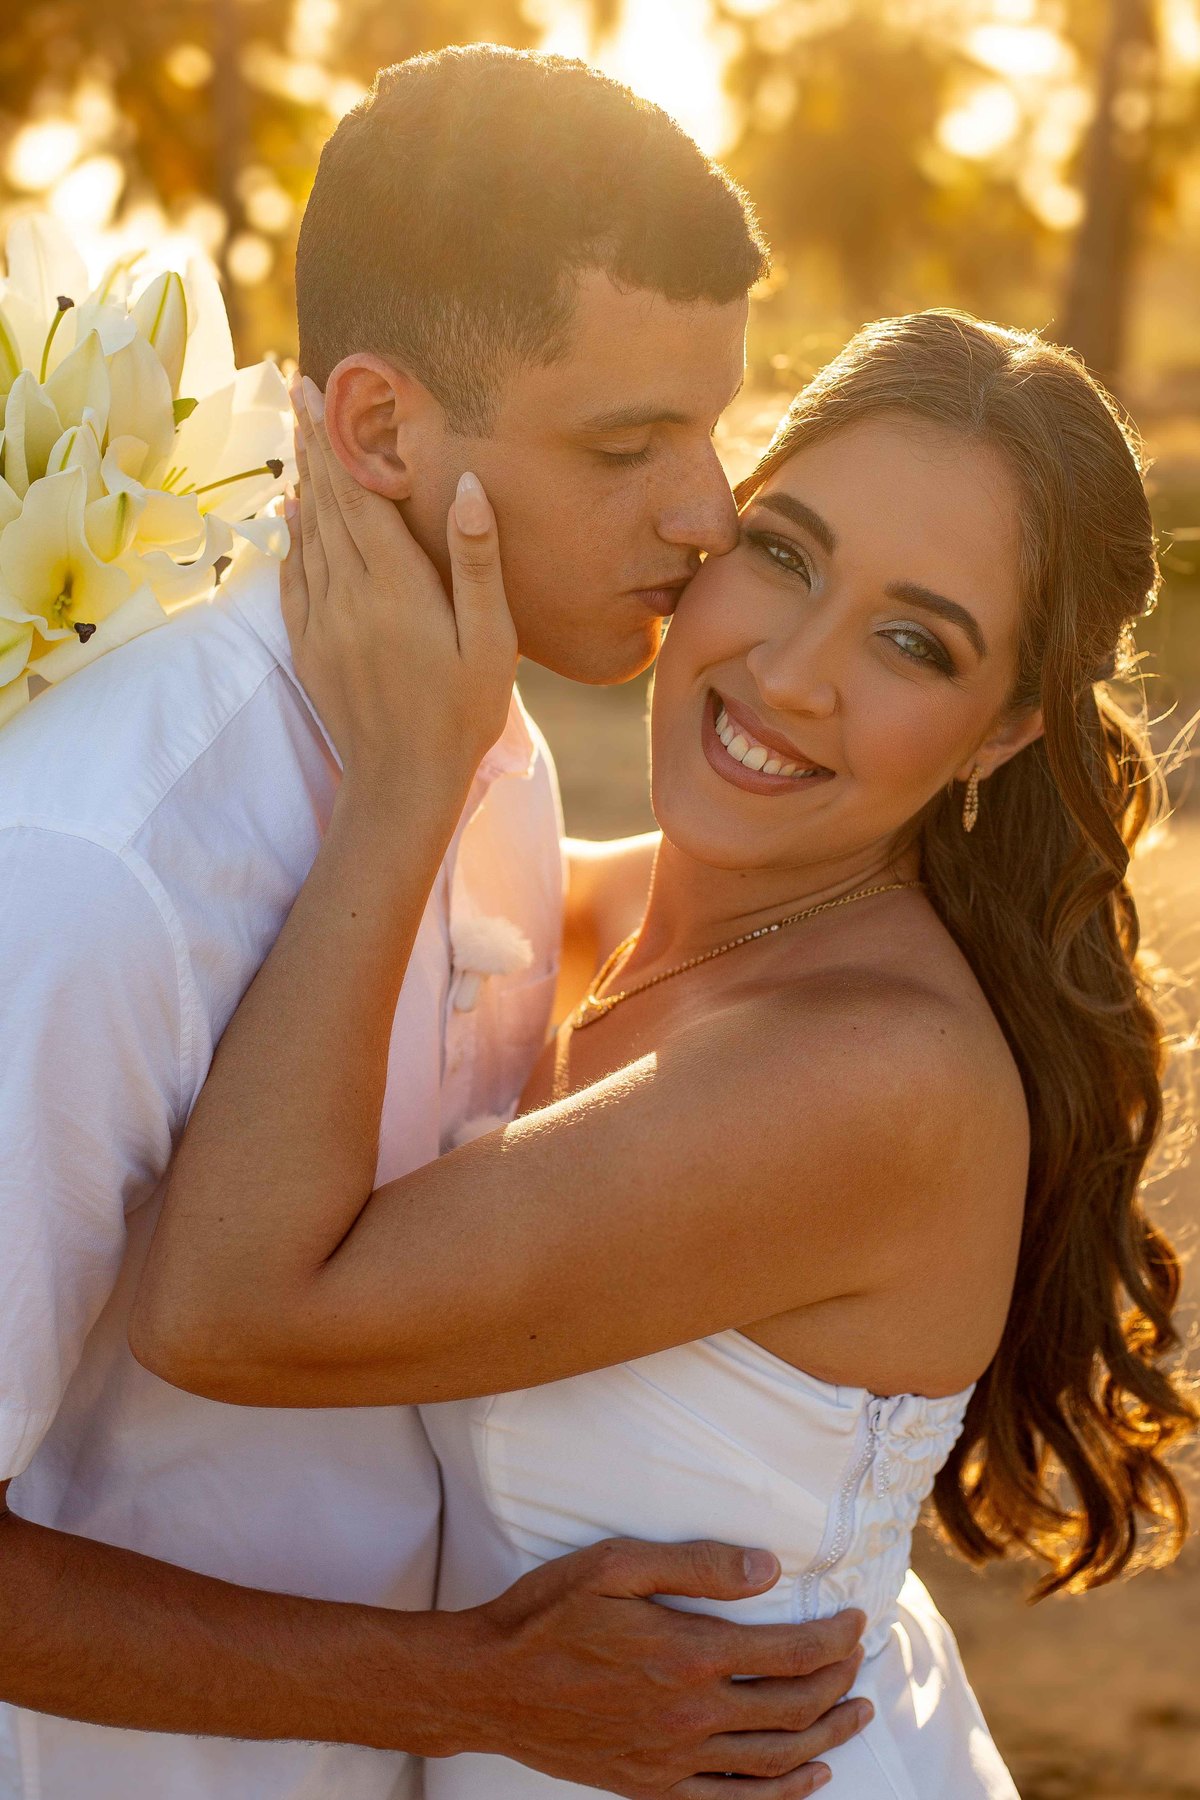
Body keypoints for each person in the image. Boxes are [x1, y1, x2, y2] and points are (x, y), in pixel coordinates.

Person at [134, 309, 1198, 1799]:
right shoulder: (570, 896)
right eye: (785, 551)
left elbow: (222, 1312)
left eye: (912, 640)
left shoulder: (875, 1077)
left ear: (1002, 731)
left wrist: (406, 780)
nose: (793, 671)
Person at [0, 47, 871, 1800]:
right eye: (627, 445)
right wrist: (471, 1693)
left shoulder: (493, 722)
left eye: (714, 423)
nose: (706, 513)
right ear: (379, 429)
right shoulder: (107, 864)